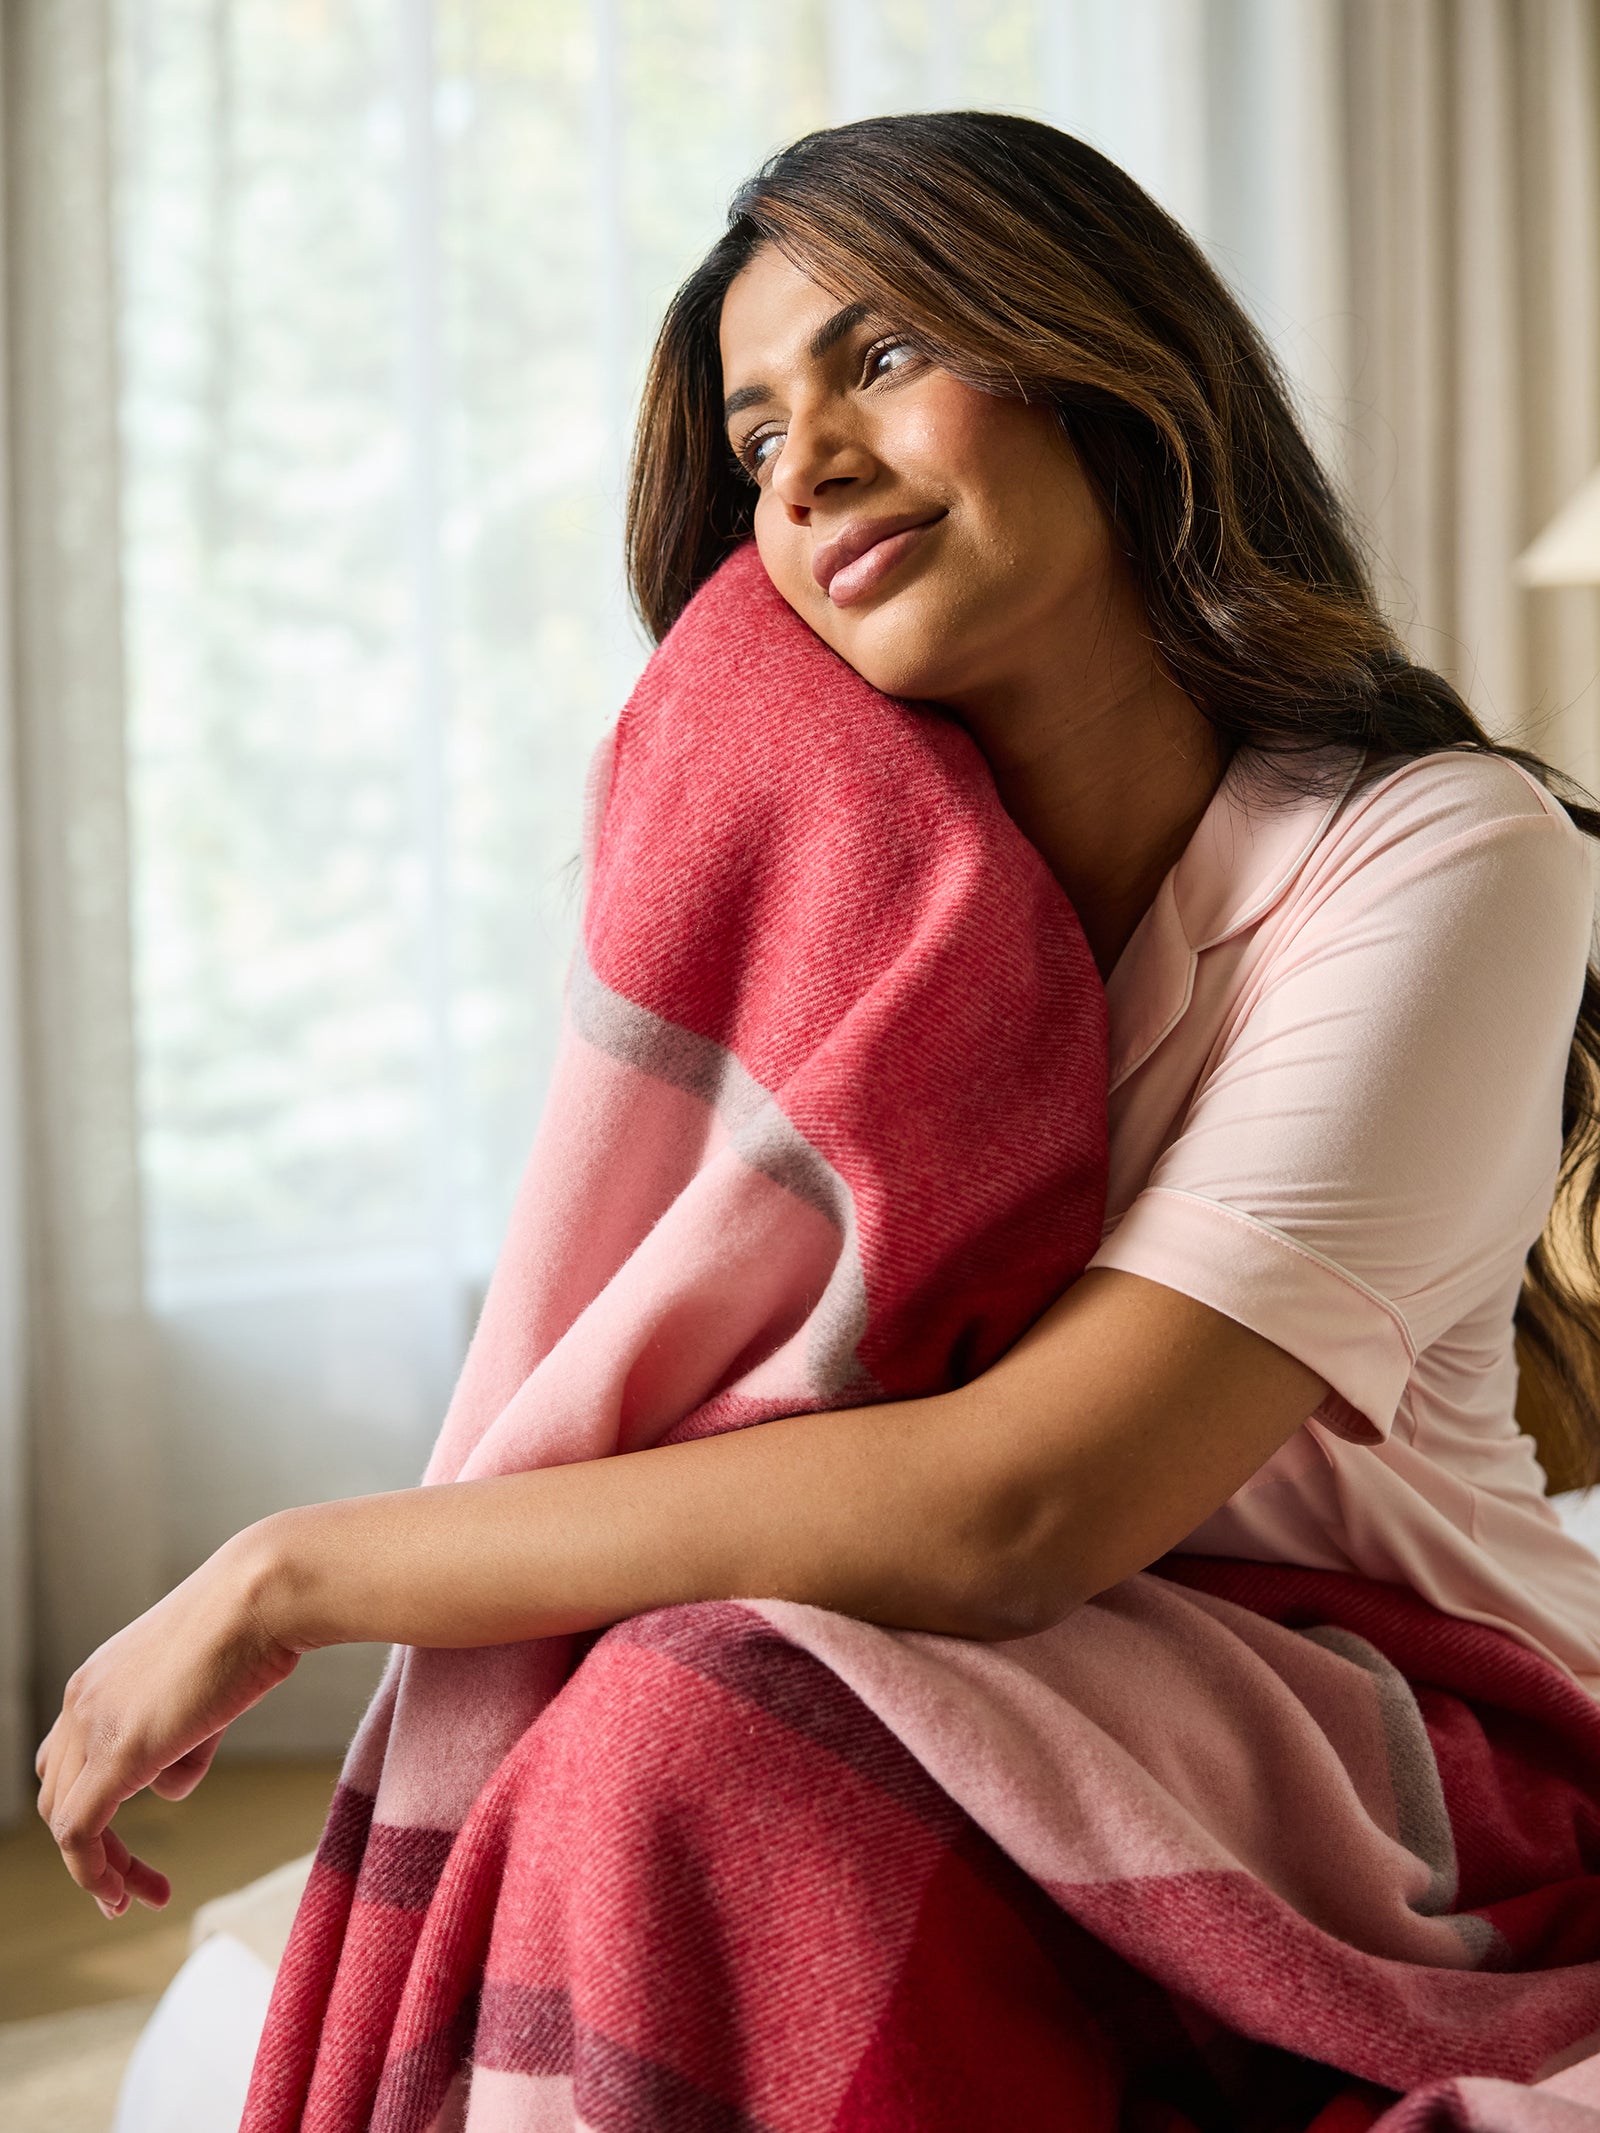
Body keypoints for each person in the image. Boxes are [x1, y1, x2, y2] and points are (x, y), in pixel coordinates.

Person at [39, 112, 1600, 2130]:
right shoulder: (862, 917)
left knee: (695, 1724)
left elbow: (1018, 1512)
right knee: (679, 1745)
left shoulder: (1430, 851)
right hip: (990, 1710)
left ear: (1108, 368)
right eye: (756, 438)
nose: (810, 467)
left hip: (1408, 1766)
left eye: (876, 360)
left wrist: (287, 1569)